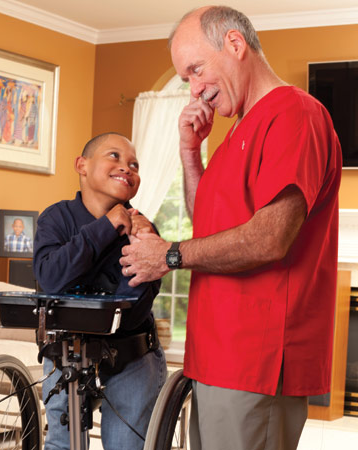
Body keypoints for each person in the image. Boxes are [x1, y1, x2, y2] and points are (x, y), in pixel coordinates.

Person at [119, 6, 342, 450]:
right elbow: (209, 222)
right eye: (185, 80)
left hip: (255, 361)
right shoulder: (238, 129)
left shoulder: (294, 114)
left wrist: (169, 255)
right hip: (218, 356)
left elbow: (269, 237)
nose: (195, 89)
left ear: (236, 45)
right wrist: (189, 154)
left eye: (196, 70)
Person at [33, 132, 167, 450]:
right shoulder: (56, 218)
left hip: (131, 354)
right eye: (114, 156)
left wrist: (138, 239)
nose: (126, 167)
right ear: (82, 165)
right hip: (65, 352)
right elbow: (50, 279)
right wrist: (106, 227)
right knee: (61, 443)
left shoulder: (144, 230)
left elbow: (133, 310)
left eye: (134, 164)